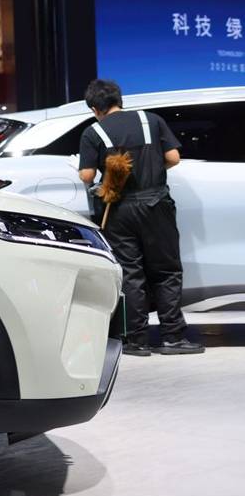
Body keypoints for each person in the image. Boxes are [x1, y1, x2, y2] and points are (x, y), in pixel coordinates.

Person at [77, 79, 202, 357]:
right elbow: (173, 157)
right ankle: (173, 338)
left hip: (119, 210)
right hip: (156, 204)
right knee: (167, 271)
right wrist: (153, 168)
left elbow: (86, 176)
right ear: (119, 100)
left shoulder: (93, 132)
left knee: (131, 274)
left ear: (95, 108)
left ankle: (137, 341)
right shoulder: (151, 120)